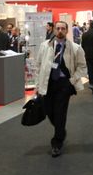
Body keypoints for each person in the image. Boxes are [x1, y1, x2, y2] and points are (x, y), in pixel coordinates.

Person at [35, 21, 86, 157]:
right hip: (48, 83)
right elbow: (38, 66)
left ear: (67, 30)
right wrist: (37, 85)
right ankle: (61, 130)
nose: (60, 31)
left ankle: (57, 142)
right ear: (54, 30)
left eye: (63, 28)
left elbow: (82, 67)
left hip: (64, 84)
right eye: (58, 28)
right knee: (49, 111)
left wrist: (72, 80)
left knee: (60, 113)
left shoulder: (75, 48)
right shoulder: (45, 46)